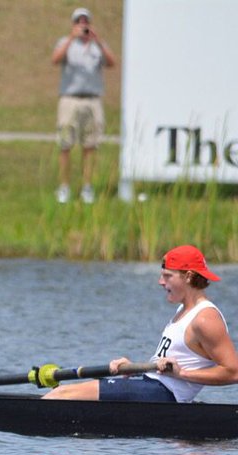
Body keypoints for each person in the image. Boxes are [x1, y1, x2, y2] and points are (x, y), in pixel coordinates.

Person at [44, 245, 238, 402]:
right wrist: (134, 367)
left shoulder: (205, 318)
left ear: (188, 276)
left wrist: (182, 373)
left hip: (164, 393)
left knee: (60, 395)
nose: (160, 282)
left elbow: (233, 373)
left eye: (167, 276)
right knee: (63, 395)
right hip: (150, 385)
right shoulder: (183, 310)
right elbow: (166, 363)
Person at [51, 7, 117, 205]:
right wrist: (72, 39)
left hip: (93, 100)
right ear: (73, 24)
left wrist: (97, 41)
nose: (83, 25)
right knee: (65, 144)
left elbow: (112, 63)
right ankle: (64, 187)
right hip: (70, 99)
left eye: (85, 22)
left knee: (90, 145)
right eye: (79, 22)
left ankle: (87, 187)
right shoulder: (65, 43)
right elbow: (55, 59)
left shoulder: (98, 45)